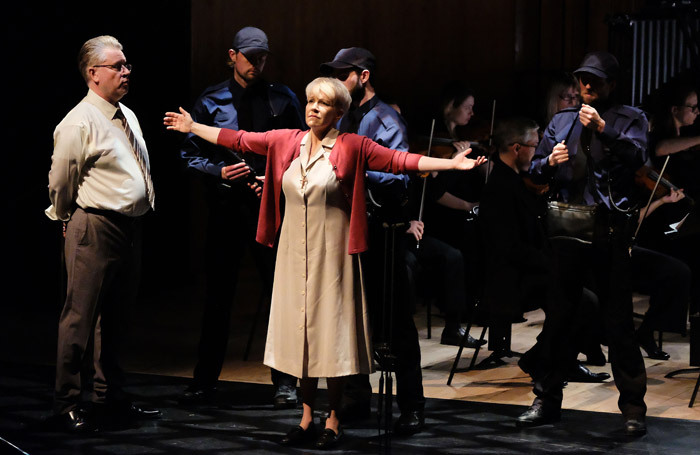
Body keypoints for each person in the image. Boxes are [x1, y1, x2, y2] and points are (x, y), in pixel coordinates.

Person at [164, 77, 486, 449]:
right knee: (299, 337)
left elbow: (401, 161)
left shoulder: (353, 145)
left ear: (339, 112)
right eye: (310, 100)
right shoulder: (285, 141)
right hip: (292, 256)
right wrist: (193, 127)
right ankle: (305, 417)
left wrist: (451, 165)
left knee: (331, 338)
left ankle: (333, 416)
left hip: (333, 257)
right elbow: (237, 139)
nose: (314, 107)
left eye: (324, 103)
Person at [177, 26, 304, 408]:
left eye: (263, 57)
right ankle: (204, 381)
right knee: (218, 297)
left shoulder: (282, 99)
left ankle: (285, 382)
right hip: (226, 212)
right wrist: (218, 173)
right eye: (250, 56)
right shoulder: (211, 100)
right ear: (233, 56)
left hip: (271, 211)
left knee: (278, 297)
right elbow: (188, 155)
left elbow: (300, 148)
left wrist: (274, 180)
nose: (257, 63)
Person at [528, 51, 649, 436]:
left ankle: (632, 408)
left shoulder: (630, 118)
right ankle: (546, 399)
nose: (587, 86)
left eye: (595, 80)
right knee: (560, 316)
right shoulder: (561, 119)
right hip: (567, 227)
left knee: (618, 322)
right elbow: (532, 168)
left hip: (609, 230)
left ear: (612, 84)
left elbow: (637, 157)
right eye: (583, 79)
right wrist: (549, 161)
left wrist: (603, 130)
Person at [46, 35, 160, 432]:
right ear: (93, 74)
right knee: (79, 320)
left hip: (130, 228)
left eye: (127, 65)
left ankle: (109, 398)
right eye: (118, 66)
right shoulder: (78, 121)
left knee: (116, 320)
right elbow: (61, 180)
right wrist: (64, 218)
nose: (126, 71)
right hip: (95, 227)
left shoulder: (126, 114)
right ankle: (67, 404)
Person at [320, 47, 425, 435]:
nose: (335, 80)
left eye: (342, 74)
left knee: (396, 321)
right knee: (349, 317)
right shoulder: (338, 116)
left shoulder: (386, 119)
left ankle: (412, 406)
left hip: (382, 233)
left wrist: (353, 170)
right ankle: (356, 397)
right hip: (343, 229)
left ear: (362, 77)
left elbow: (399, 177)